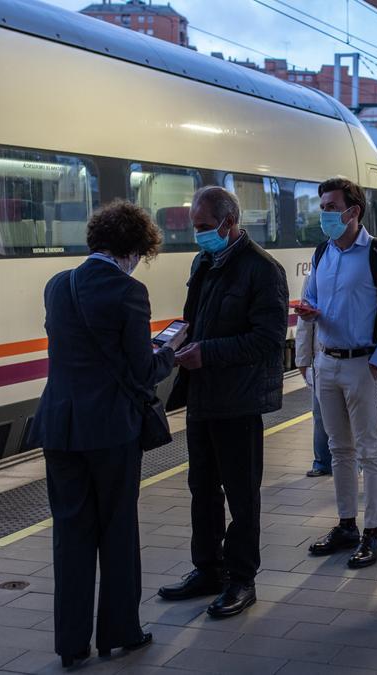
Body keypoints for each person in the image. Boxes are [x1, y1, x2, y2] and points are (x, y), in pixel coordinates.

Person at [26, 201, 176, 668]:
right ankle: (120, 632)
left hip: (59, 427)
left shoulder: (58, 286)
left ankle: (71, 645)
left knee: (70, 536)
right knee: (116, 530)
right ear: (133, 249)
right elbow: (141, 369)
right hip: (110, 430)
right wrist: (172, 351)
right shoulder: (128, 291)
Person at [157, 187, 288, 619]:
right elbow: (193, 318)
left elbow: (267, 341)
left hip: (239, 400)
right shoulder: (204, 262)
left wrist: (207, 353)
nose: (197, 236)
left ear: (228, 222)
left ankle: (241, 578)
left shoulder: (262, 270)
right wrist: (174, 340)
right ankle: (207, 569)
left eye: (202, 227)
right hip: (202, 396)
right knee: (202, 489)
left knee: (241, 493)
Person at [296, 177, 377, 569]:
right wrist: (306, 345)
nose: (324, 213)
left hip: (365, 364)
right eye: (322, 205)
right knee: (338, 450)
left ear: (353, 211)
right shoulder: (323, 252)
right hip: (327, 362)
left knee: (369, 450)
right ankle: (346, 524)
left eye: (330, 206)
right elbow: (311, 300)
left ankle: (373, 533)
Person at [296, 309, 331, 477]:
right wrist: (302, 361)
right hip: (322, 357)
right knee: (320, 414)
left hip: (355, 359)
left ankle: (355, 463)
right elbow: (305, 323)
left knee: (353, 417)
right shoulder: (313, 280)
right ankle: (322, 461)